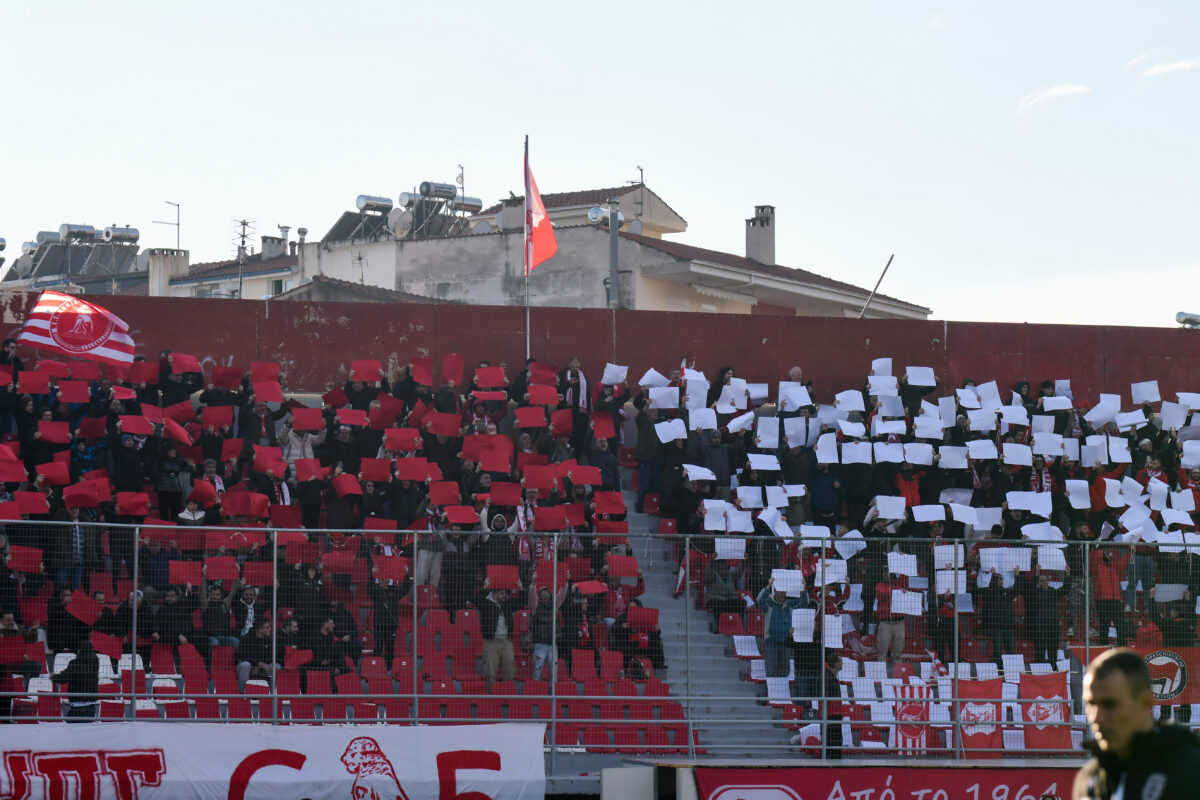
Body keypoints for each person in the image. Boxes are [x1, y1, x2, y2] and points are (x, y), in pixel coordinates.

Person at [1074, 648, 1200, 799]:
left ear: (1145, 703)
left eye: (1110, 705)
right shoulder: (1089, 779)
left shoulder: (1189, 771)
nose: (1096, 718)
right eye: (1091, 704)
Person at [51, 642, 100, 722]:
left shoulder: (75, 663)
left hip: (78, 706)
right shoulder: (95, 663)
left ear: (79, 651)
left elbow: (63, 678)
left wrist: (53, 676)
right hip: (91, 707)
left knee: (70, 731)